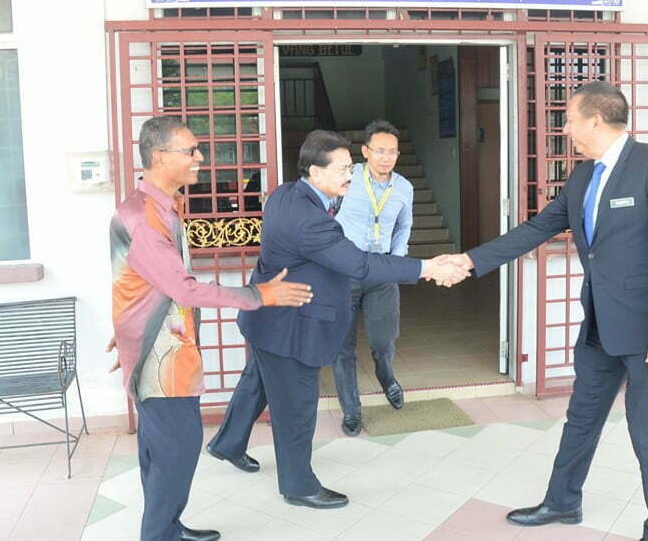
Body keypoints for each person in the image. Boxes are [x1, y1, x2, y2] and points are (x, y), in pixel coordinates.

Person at [446, 81, 648, 541]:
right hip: (600, 328)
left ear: (596, 120)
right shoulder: (583, 176)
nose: (565, 129)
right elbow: (536, 229)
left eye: (569, 119)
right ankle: (563, 501)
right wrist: (468, 261)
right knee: (582, 418)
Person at [206, 130, 467, 509]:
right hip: (291, 327)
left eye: (350, 167)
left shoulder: (284, 194)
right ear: (315, 172)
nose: (351, 175)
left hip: (266, 320)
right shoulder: (312, 221)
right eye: (343, 169)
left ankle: (228, 443)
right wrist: (427, 267)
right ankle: (298, 486)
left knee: (257, 382)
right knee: (296, 407)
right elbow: (359, 264)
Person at [109, 116, 314, 541]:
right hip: (161, 360)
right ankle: (159, 535)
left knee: (163, 450)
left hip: (164, 346)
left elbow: (139, 282)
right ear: (160, 157)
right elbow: (183, 289)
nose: (199, 158)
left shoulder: (159, 206)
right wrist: (261, 295)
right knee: (176, 451)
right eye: (190, 150)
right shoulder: (145, 218)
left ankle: (167, 527)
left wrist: (129, 326)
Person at [333, 119, 414, 436]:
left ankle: (385, 374)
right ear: (365, 151)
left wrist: (397, 259)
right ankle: (351, 410)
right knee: (342, 345)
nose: (386, 157)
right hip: (344, 270)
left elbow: (404, 226)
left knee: (384, 339)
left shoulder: (404, 188)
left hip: (382, 270)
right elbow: (325, 216)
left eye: (392, 152)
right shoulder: (346, 177)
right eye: (380, 151)